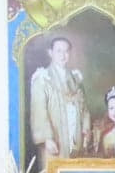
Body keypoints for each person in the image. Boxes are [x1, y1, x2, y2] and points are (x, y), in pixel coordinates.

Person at [30, 35, 90, 166]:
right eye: (59, 51)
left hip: (74, 138)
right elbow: (39, 112)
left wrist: (86, 130)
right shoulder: (42, 78)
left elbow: (85, 109)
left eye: (66, 51)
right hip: (55, 140)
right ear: (50, 53)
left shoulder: (76, 79)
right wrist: (47, 138)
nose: (63, 55)